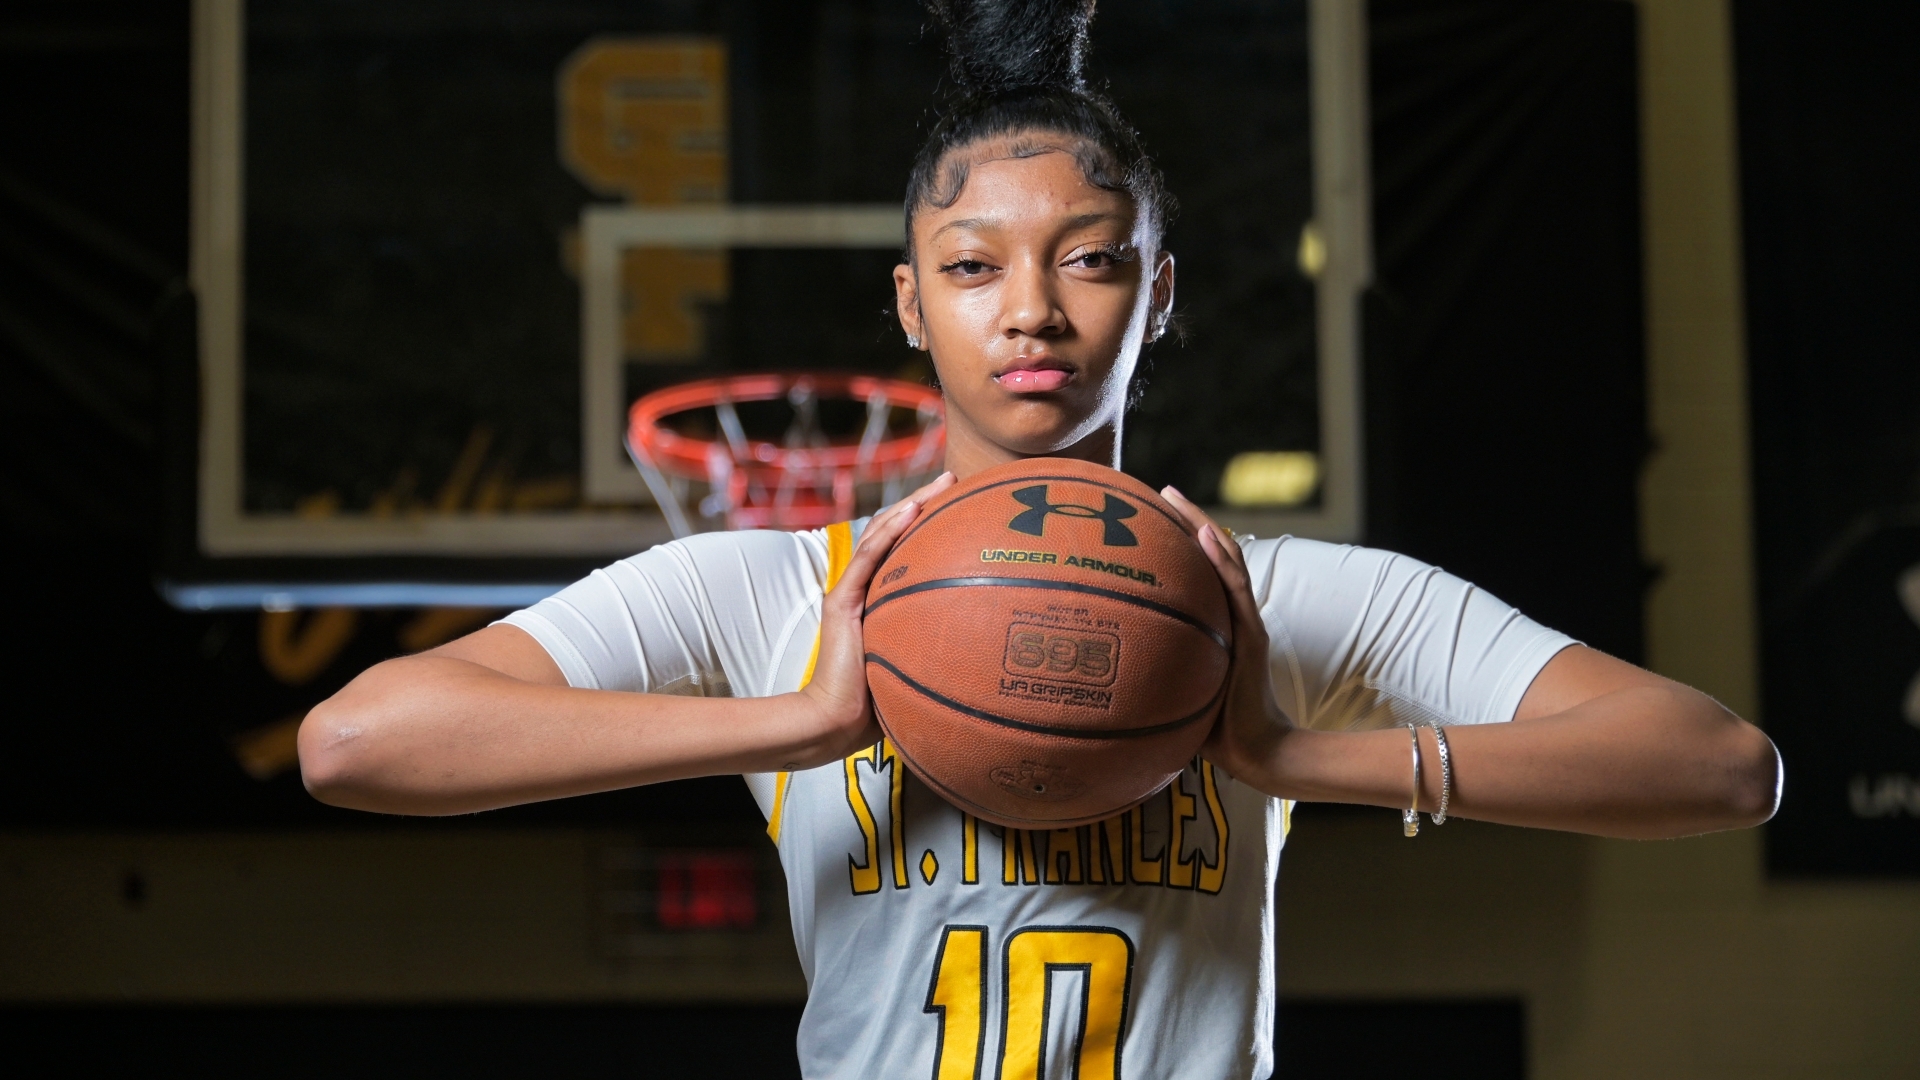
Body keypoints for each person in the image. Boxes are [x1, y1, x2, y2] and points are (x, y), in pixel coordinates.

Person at [298, 2, 1779, 1076]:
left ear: (1160, 290)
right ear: (906, 303)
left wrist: (1295, 758)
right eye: (971, 264)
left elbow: (1721, 767)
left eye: (1089, 260)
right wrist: (796, 718)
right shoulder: (784, 594)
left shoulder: (1272, 604)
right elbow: (355, 747)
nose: (1030, 310)